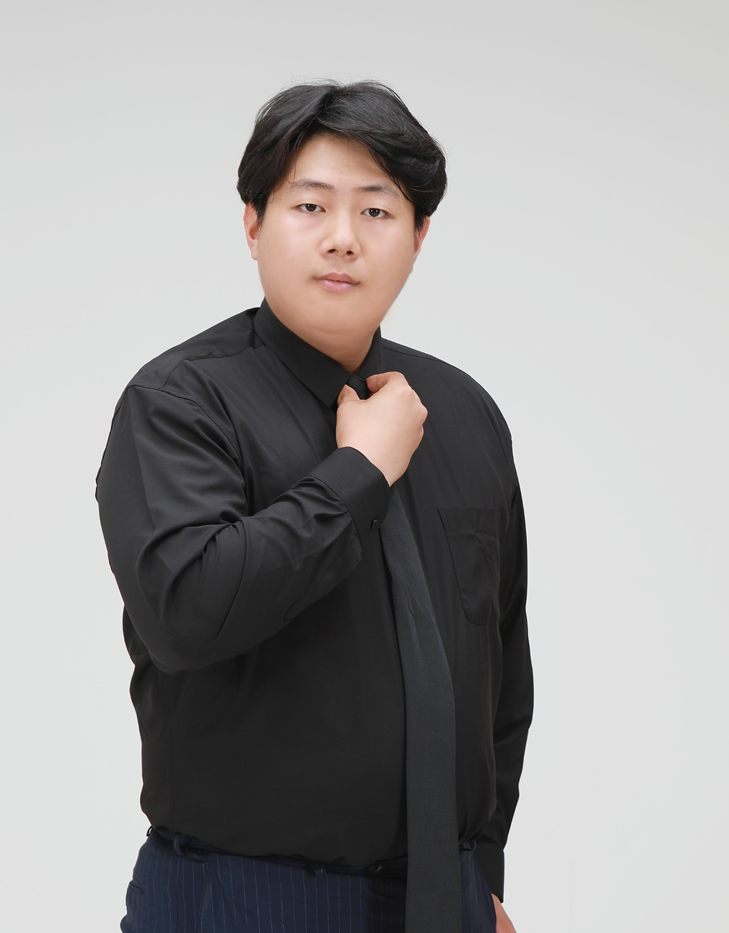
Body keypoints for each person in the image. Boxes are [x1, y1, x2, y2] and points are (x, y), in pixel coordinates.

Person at [96, 80, 533, 933]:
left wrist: (480, 870)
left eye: (376, 210)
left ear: (419, 236)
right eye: (310, 206)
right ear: (253, 224)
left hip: (443, 897)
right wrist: (359, 470)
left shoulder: (464, 411)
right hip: (242, 896)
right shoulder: (180, 403)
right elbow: (187, 611)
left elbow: (500, 667)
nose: (342, 238)